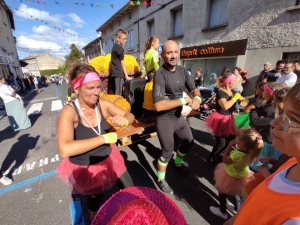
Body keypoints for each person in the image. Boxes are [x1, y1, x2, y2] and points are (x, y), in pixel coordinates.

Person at [56, 64, 135, 220]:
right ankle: (93, 218)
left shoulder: (102, 104)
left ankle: (133, 216)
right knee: (95, 201)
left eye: (99, 87)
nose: (97, 92)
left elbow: (129, 115)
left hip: (109, 158)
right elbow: (65, 148)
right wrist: (104, 138)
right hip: (87, 167)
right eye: (91, 88)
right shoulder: (69, 112)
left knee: (131, 191)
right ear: (77, 89)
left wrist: (124, 121)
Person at [224, 82, 300, 225]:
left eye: (293, 119)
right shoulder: (293, 162)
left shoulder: (294, 219)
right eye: (281, 114)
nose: (274, 123)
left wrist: (266, 173)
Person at [152, 40, 202, 194]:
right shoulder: (160, 75)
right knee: (167, 152)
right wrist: (183, 100)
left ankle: (178, 163)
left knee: (189, 141)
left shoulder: (182, 70)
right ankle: (161, 179)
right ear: (162, 55)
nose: (173, 56)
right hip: (164, 119)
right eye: (169, 53)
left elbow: (194, 90)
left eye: (175, 52)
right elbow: (159, 105)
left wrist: (197, 100)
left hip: (178, 116)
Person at [209, 128, 263, 219]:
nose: (235, 137)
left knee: (222, 191)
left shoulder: (236, 155)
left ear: (241, 142)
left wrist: (228, 147)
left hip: (229, 175)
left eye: (237, 137)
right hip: (240, 176)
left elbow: (224, 160)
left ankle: (222, 211)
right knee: (236, 191)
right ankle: (237, 207)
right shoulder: (250, 153)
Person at [206, 72, 248, 166]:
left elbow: (245, 99)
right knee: (221, 142)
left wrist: (244, 102)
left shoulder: (233, 92)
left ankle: (221, 155)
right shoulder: (221, 93)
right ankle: (212, 157)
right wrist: (235, 98)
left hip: (229, 118)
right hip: (220, 119)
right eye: (234, 81)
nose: (236, 83)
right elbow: (225, 106)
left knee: (231, 139)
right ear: (228, 83)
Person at [110, 29, 132, 95]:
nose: (125, 40)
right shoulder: (119, 48)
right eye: (123, 39)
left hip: (116, 72)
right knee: (118, 93)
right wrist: (127, 76)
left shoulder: (115, 46)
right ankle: (117, 105)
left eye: (126, 39)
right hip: (118, 73)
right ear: (117, 38)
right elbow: (122, 62)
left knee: (118, 92)